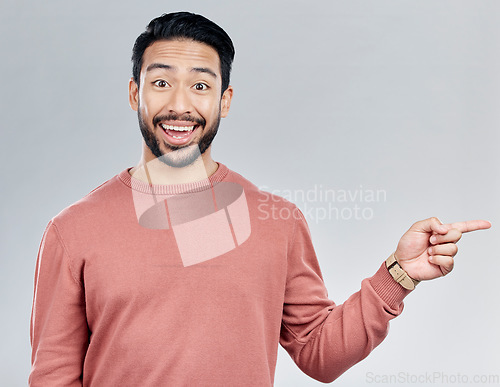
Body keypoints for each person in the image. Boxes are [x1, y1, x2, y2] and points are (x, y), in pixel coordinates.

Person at [29, 11, 491, 386]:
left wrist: (399, 274)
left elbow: (318, 354)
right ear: (135, 93)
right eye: (162, 82)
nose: (180, 105)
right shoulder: (72, 231)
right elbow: (52, 378)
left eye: (201, 85)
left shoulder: (278, 221)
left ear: (225, 100)